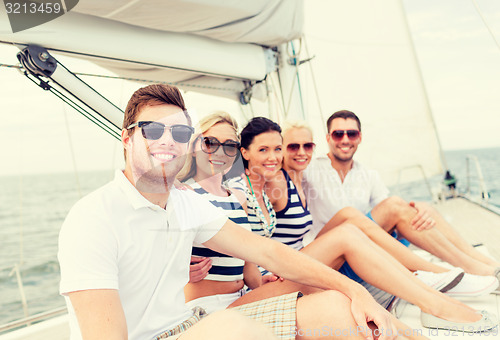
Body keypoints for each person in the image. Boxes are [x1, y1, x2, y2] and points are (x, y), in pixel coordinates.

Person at [58, 84, 402, 340]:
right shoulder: (93, 218)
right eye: (152, 129)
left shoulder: (184, 204)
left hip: (191, 323)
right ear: (126, 138)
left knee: (337, 310)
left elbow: (267, 251)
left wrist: (355, 291)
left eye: (178, 131)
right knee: (233, 327)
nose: (167, 140)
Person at [220, 117, 496, 332]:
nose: (276, 156)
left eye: (278, 149)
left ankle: (442, 281)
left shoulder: (279, 182)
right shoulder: (249, 189)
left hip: (290, 263)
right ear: (244, 152)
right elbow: (244, 261)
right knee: (348, 231)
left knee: (351, 218)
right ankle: (434, 292)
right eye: (267, 150)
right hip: (274, 276)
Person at [303, 110, 500, 281]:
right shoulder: (309, 170)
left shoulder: (367, 174)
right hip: (334, 258)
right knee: (396, 206)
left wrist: (414, 210)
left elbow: (392, 213)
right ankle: (473, 269)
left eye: (351, 134)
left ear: (359, 137)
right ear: (328, 138)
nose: (345, 139)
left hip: (364, 250)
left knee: (424, 209)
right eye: (338, 134)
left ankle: (485, 263)